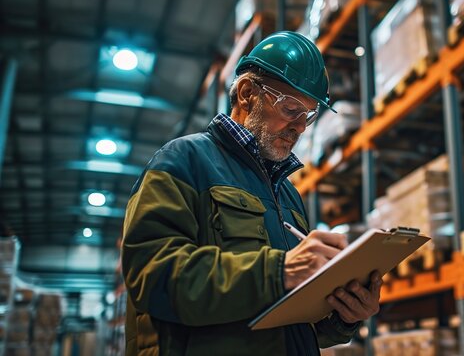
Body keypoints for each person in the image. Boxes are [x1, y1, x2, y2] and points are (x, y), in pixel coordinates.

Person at [121, 31, 383, 356]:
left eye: (309, 116)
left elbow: (294, 323)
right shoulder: (182, 162)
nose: (300, 127)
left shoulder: (287, 195)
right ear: (247, 94)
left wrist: (343, 314)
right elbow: (152, 276)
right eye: (291, 110)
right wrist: (278, 272)